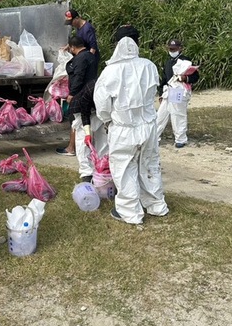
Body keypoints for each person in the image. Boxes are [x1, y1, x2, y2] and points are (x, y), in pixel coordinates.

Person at [94, 25, 169, 224]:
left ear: (117, 44)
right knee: (149, 164)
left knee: (124, 168)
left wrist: (108, 121)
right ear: (137, 42)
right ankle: (156, 205)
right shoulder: (149, 66)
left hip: (124, 128)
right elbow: (153, 92)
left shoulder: (110, 71)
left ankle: (130, 212)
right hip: (148, 126)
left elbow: (101, 104)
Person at [56, 35, 98, 157]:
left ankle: (71, 148)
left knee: (75, 120)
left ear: (73, 47)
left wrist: (72, 93)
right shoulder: (91, 56)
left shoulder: (79, 58)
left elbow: (78, 77)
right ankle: (84, 147)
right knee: (86, 121)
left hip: (80, 93)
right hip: (90, 92)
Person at [156, 39, 200, 148]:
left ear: (180, 48)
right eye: (170, 49)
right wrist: (161, 93)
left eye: (174, 49)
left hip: (178, 90)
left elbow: (195, 77)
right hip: (168, 90)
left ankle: (181, 138)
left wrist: (186, 78)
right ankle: (154, 137)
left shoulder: (186, 61)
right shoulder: (168, 62)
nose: (172, 51)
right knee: (160, 115)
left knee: (177, 114)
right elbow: (164, 79)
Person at [68, 78, 108, 183]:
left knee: (102, 138)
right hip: (80, 109)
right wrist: (87, 133)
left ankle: (101, 168)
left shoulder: (113, 89)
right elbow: (84, 113)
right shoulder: (91, 88)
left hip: (97, 111)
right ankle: (86, 173)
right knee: (83, 142)